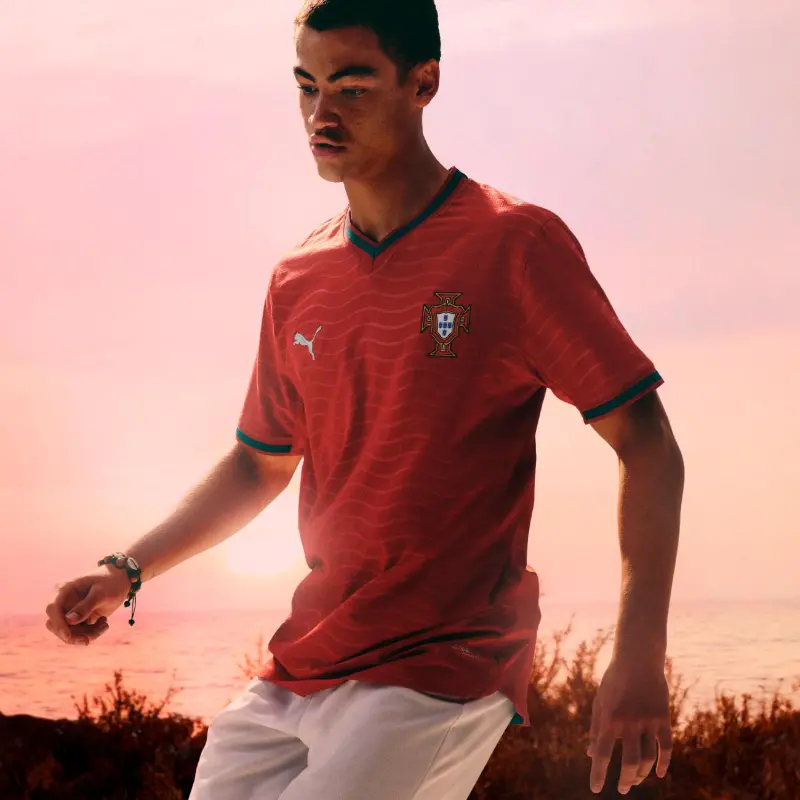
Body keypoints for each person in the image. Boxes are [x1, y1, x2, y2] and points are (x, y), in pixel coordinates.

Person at [44, 0, 685, 797]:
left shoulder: (515, 244)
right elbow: (257, 464)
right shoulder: (297, 277)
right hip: (301, 665)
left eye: (351, 87)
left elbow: (647, 443)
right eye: (307, 86)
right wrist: (126, 570)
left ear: (423, 84)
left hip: (439, 669)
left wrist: (638, 653)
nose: (322, 114)